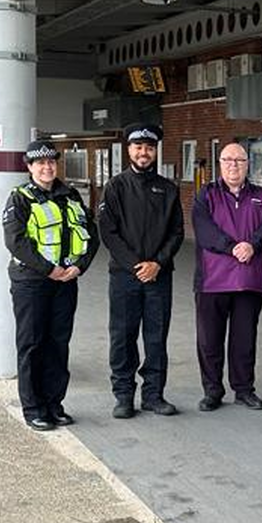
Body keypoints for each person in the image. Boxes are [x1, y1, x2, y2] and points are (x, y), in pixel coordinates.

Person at [2, 140, 100, 431]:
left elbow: (91, 234)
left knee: (58, 343)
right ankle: (33, 408)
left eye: (51, 162)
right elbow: (16, 242)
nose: (47, 167)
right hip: (32, 283)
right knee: (32, 344)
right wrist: (50, 270)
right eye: (40, 163)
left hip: (66, 282)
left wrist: (79, 267)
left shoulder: (70, 196)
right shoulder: (19, 198)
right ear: (30, 167)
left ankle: (54, 404)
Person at [97, 122, 184, 419]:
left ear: (155, 150)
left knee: (156, 337)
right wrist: (136, 266)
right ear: (129, 150)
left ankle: (153, 395)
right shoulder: (115, 187)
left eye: (149, 147)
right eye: (138, 147)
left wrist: (157, 263)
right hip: (124, 277)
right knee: (123, 336)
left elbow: (177, 232)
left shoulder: (168, 188)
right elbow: (108, 232)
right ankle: (123, 396)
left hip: (159, 276)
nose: (143, 152)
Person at [191, 141, 262, 412]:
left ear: (248, 164)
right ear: (220, 164)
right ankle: (212, 390)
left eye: (239, 160)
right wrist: (232, 247)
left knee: (244, 340)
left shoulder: (261, 196)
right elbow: (204, 230)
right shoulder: (206, 195)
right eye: (227, 160)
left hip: (249, 281)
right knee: (209, 340)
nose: (233, 165)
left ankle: (244, 390)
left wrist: (252, 245)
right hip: (212, 281)